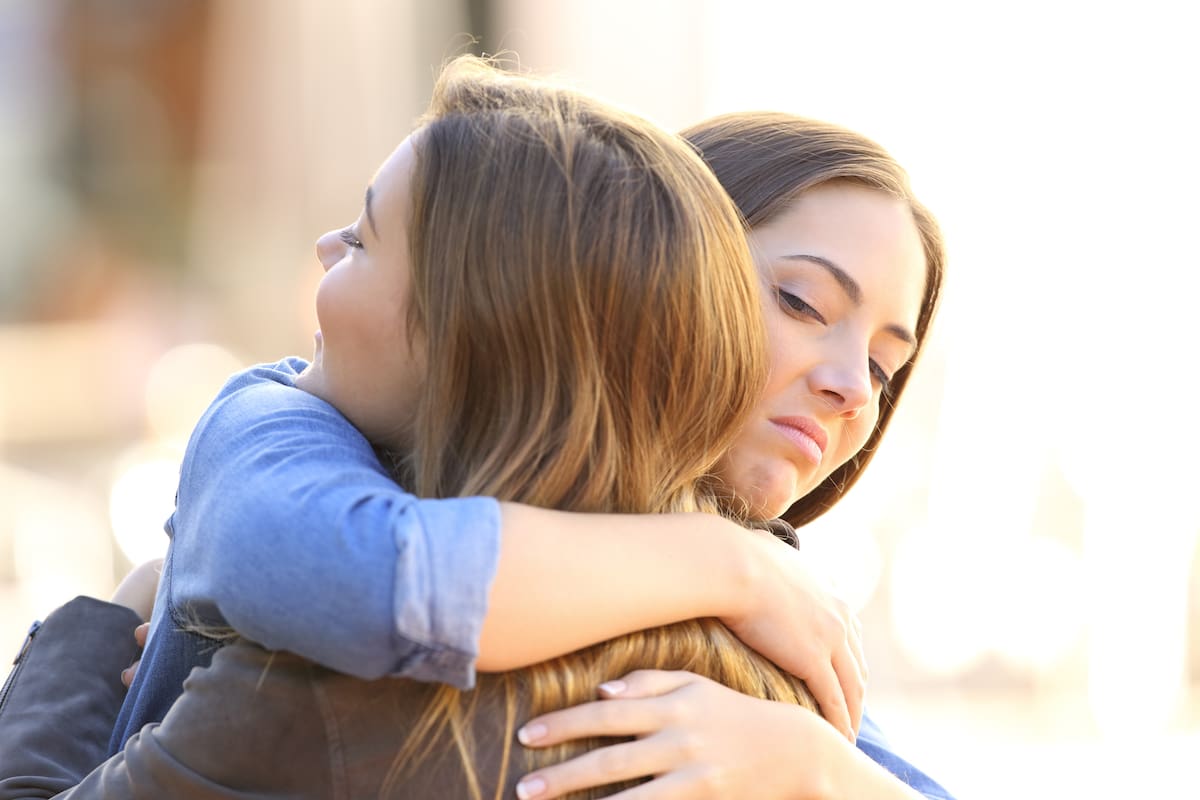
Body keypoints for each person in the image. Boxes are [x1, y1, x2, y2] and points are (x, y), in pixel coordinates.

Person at [0, 61, 952, 800]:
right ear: (632, 286)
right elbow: (372, 573)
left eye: (882, 366)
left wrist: (822, 765)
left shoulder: (764, 670)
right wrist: (730, 569)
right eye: (798, 299)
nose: (850, 393)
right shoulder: (291, 439)